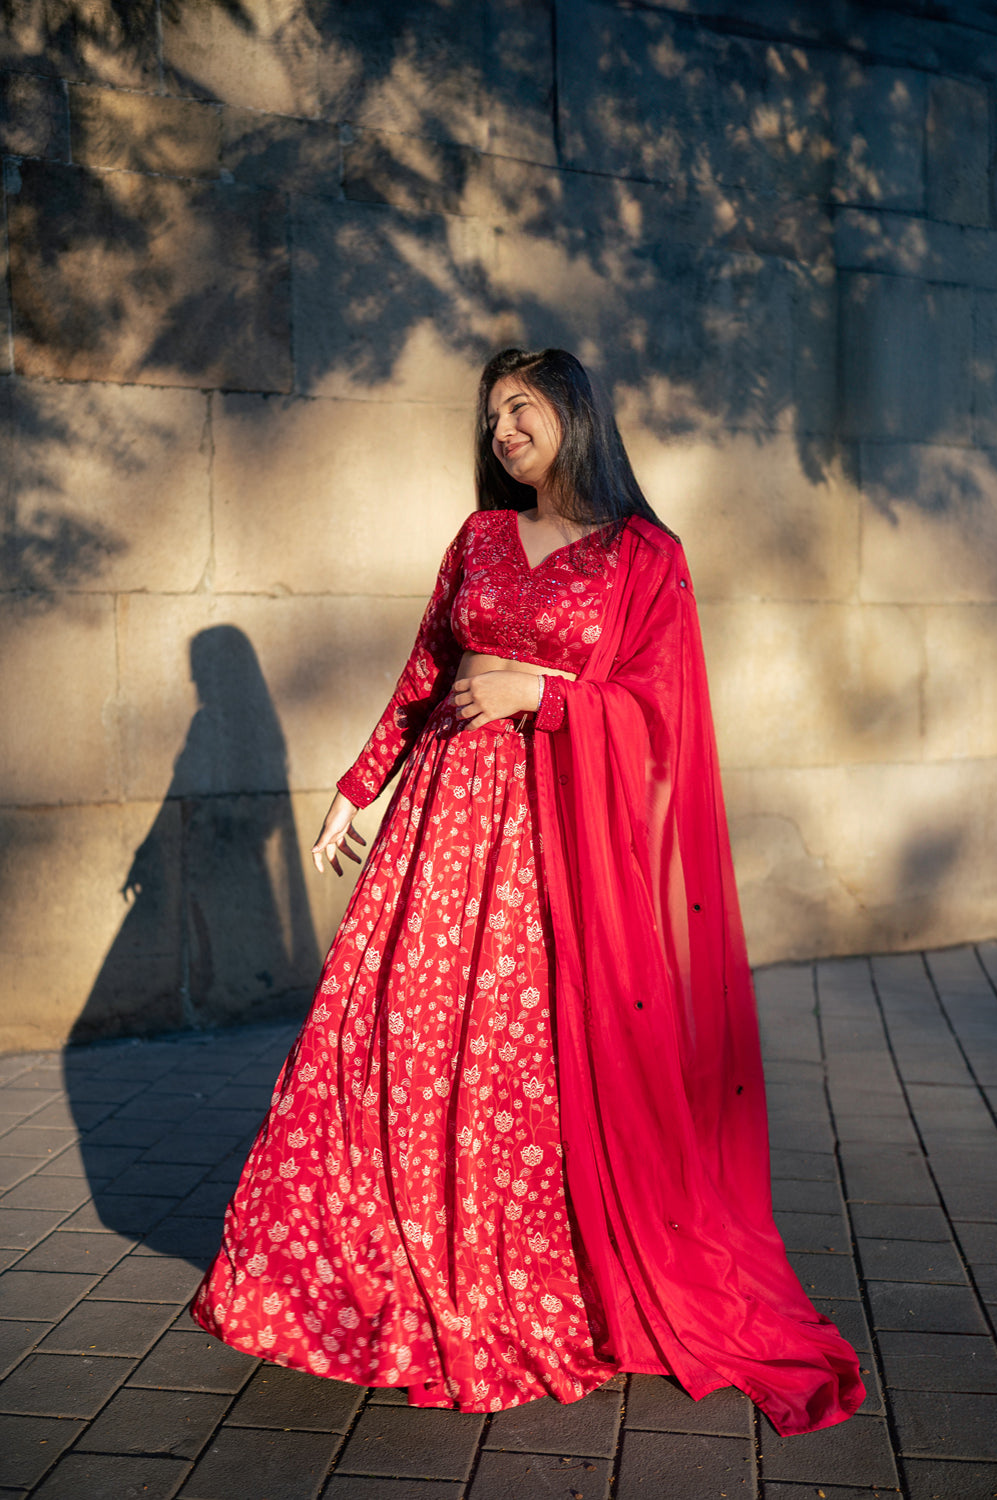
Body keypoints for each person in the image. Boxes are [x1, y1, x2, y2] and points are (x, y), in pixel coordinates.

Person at [191, 348, 865, 1435]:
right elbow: (422, 672)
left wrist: (538, 690)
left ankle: (523, 1276)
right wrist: (357, 790)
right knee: (397, 1037)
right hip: (440, 831)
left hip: (558, 850)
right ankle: (383, 1259)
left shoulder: (645, 556)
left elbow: (662, 713)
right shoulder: (479, 539)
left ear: (574, 415)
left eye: (523, 408)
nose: (503, 429)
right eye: (492, 414)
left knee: (514, 1055)